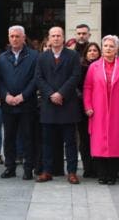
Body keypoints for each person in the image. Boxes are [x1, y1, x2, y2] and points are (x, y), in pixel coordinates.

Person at [83, 35, 119, 185]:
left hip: (118, 109)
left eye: (111, 46)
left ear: (117, 49)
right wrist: (88, 106)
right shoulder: (94, 67)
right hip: (98, 109)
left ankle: (113, 174)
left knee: (116, 141)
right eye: (105, 46)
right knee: (99, 141)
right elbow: (88, 88)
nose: (108, 49)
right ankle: (102, 174)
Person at [35, 26, 82, 184]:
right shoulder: (42, 57)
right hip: (49, 105)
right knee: (47, 142)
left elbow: (75, 76)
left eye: (58, 35)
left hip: (67, 104)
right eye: (53, 36)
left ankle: (72, 172)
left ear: (63, 38)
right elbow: (39, 78)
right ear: (49, 38)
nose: (56, 38)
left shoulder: (73, 55)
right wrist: (51, 94)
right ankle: (47, 171)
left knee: (70, 142)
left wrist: (61, 93)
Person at [0, 25, 39, 181]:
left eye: (17, 36)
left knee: (28, 137)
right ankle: (10, 167)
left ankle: (28, 168)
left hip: (27, 104)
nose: (14, 39)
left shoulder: (34, 56)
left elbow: (36, 79)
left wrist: (23, 95)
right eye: (12, 36)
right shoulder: (2, 58)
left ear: (23, 37)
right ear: (9, 38)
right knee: (9, 137)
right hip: (8, 105)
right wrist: (5, 95)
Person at [77, 42, 99, 178]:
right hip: (82, 108)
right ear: (85, 53)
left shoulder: (103, 67)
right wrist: (84, 100)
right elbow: (76, 86)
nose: (92, 52)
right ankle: (87, 167)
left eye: (95, 50)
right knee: (85, 140)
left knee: (97, 139)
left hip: (100, 107)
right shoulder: (80, 67)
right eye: (89, 50)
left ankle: (97, 166)